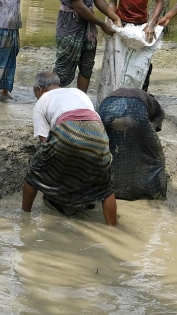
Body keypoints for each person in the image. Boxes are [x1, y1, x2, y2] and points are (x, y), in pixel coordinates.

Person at [23, 71, 117, 224]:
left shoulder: (42, 101)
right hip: (98, 131)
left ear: (39, 90)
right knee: (104, 185)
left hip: (67, 127)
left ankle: (24, 217)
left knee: (34, 172)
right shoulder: (78, 92)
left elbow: (45, 142)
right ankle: (113, 228)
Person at [97, 86, 168, 200]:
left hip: (105, 107)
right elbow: (151, 130)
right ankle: (157, 192)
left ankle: (107, 190)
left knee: (106, 152)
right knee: (157, 157)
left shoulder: (128, 93)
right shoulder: (157, 108)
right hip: (135, 109)